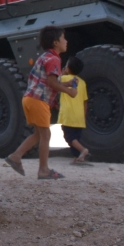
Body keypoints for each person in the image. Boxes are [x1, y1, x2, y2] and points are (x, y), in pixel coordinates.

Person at [5, 26, 77, 179]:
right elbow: (52, 83)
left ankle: (16, 156)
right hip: (39, 101)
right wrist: (69, 91)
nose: (66, 41)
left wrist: (67, 83)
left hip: (30, 99)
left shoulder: (45, 57)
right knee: (46, 134)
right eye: (63, 38)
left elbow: (49, 81)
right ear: (56, 42)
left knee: (39, 134)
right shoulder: (54, 59)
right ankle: (43, 170)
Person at [58, 56, 91, 164]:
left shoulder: (64, 79)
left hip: (68, 115)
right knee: (76, 138)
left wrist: (62, 74)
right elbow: (85, 101)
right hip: (79, 116)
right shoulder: (82, 82)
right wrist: (84, 115)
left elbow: (55, 83)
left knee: (69, 137)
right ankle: (79, 158)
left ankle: (83, 150)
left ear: (68, 68)